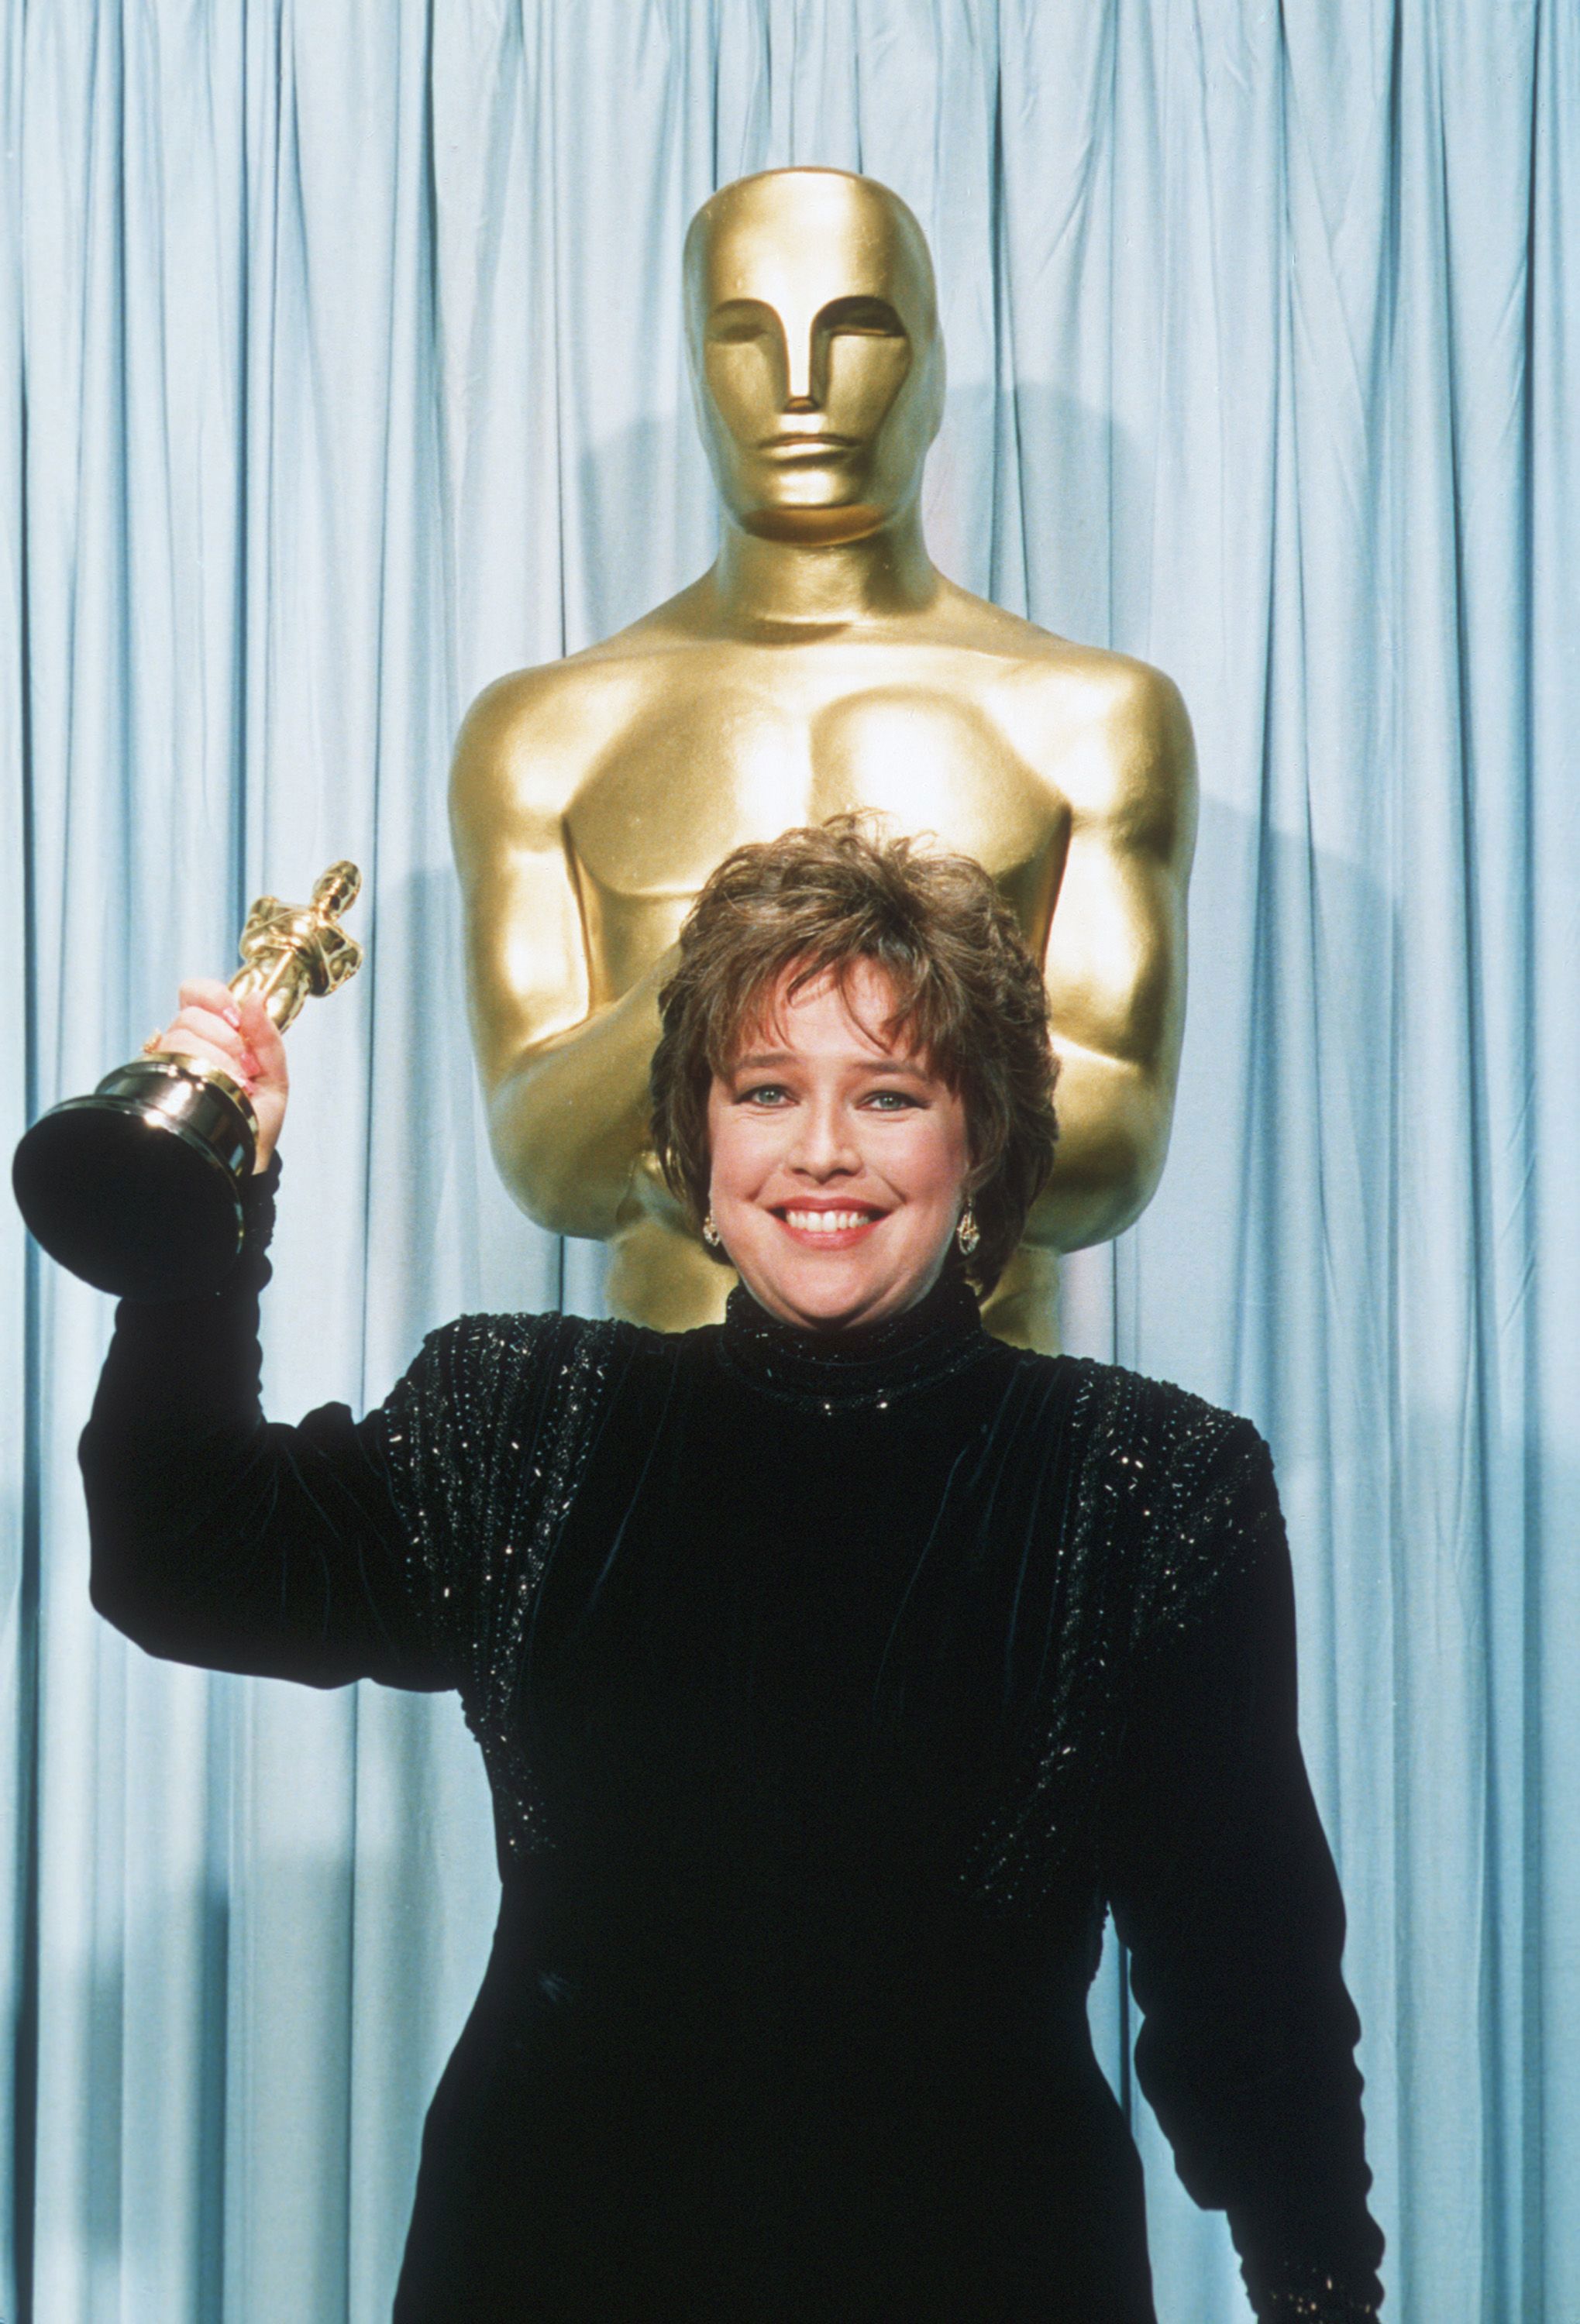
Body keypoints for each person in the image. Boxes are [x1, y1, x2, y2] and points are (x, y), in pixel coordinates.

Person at [81, 820, 1384, 2322]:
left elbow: (1250, 1985)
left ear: (982, 1150)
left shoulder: (1147, 1482)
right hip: (559, 2257)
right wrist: (202, 1219)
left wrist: (1320, 2288)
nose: (821, 1150)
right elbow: (183, 1564)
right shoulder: (531, 1419)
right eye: (767, 1090)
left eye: (889, 1095)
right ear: (699, 1154)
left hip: (987, 2266)